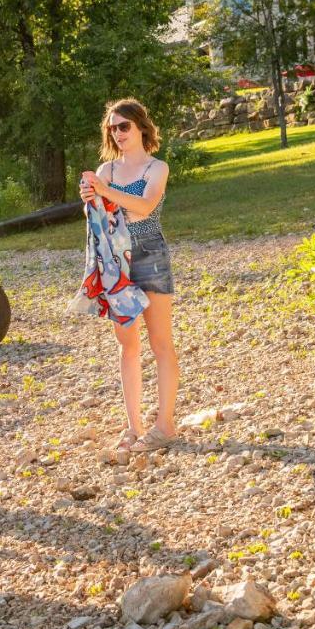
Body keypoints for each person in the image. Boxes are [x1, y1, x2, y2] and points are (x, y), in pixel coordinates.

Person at [78, 97, 180, 453]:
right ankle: (133, 426)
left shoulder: (157, 168)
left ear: (140, 127)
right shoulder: (106, 170)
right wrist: (90, 195)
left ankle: (164, 425)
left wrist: (105, 192)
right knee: (128, 344)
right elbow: (99, 212)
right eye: (112, 128)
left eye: (124, 126)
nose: (118, 133)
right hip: (115, 260)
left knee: (160, 342)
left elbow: (145, 205)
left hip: (150, 252)